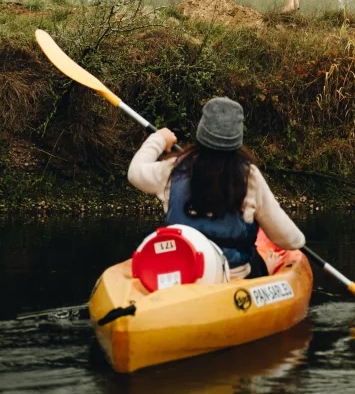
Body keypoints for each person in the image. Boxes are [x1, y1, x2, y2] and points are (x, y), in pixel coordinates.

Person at [128, 97, 305, 279]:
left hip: (183, 277)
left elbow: (135, 173)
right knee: (256, 261)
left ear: (201, 132)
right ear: (237, 139)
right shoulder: (249, 176)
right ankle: (264, 267)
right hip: (231, 278)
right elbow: (291, 239)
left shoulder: (173, 169)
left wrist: (158, 139)